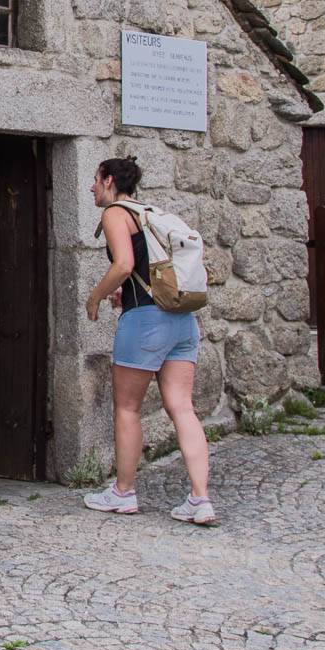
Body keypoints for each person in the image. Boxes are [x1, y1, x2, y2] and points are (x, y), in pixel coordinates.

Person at [81, 157, 216, 525]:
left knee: (127, 408)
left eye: (95, 180)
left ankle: (123, 493)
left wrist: (95, 296)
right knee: (183, 408)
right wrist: (123, 292)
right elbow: (143, 269)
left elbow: (124, 264)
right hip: (182, 321)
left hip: (145, 324)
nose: (91, 187)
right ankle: (200, 499)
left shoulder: (114, 213)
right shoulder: (148, 212)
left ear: (109, 181)